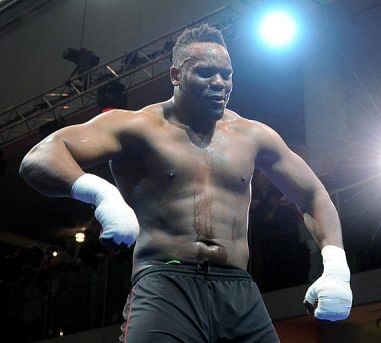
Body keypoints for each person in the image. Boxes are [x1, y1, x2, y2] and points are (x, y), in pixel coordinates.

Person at [19, 24, 352, 342]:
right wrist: (103, 194)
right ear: (176, 75)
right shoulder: (138, 127)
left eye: (227, 74)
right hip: (165, 284)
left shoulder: (253, 135)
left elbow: (313, 195)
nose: (220, 82)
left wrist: (336, 268)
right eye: (206, 72)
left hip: (239, 290)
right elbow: (40, 157)